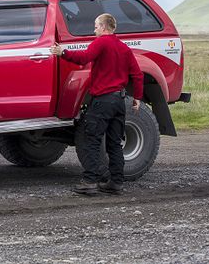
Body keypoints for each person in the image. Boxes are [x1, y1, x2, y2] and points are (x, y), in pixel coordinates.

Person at [50, 13, 142, 196]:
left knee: (91, 139)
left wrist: (63, 53)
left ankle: (90, 181)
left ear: (104, 27)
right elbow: (138, 75)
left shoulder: (101, 43)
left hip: (103, 100)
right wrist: (137, 98)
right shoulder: (124, 48)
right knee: (115, 143)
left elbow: (84, 58)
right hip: (119, 101)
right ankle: (116, 182)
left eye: (96, 26)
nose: (94, 30)